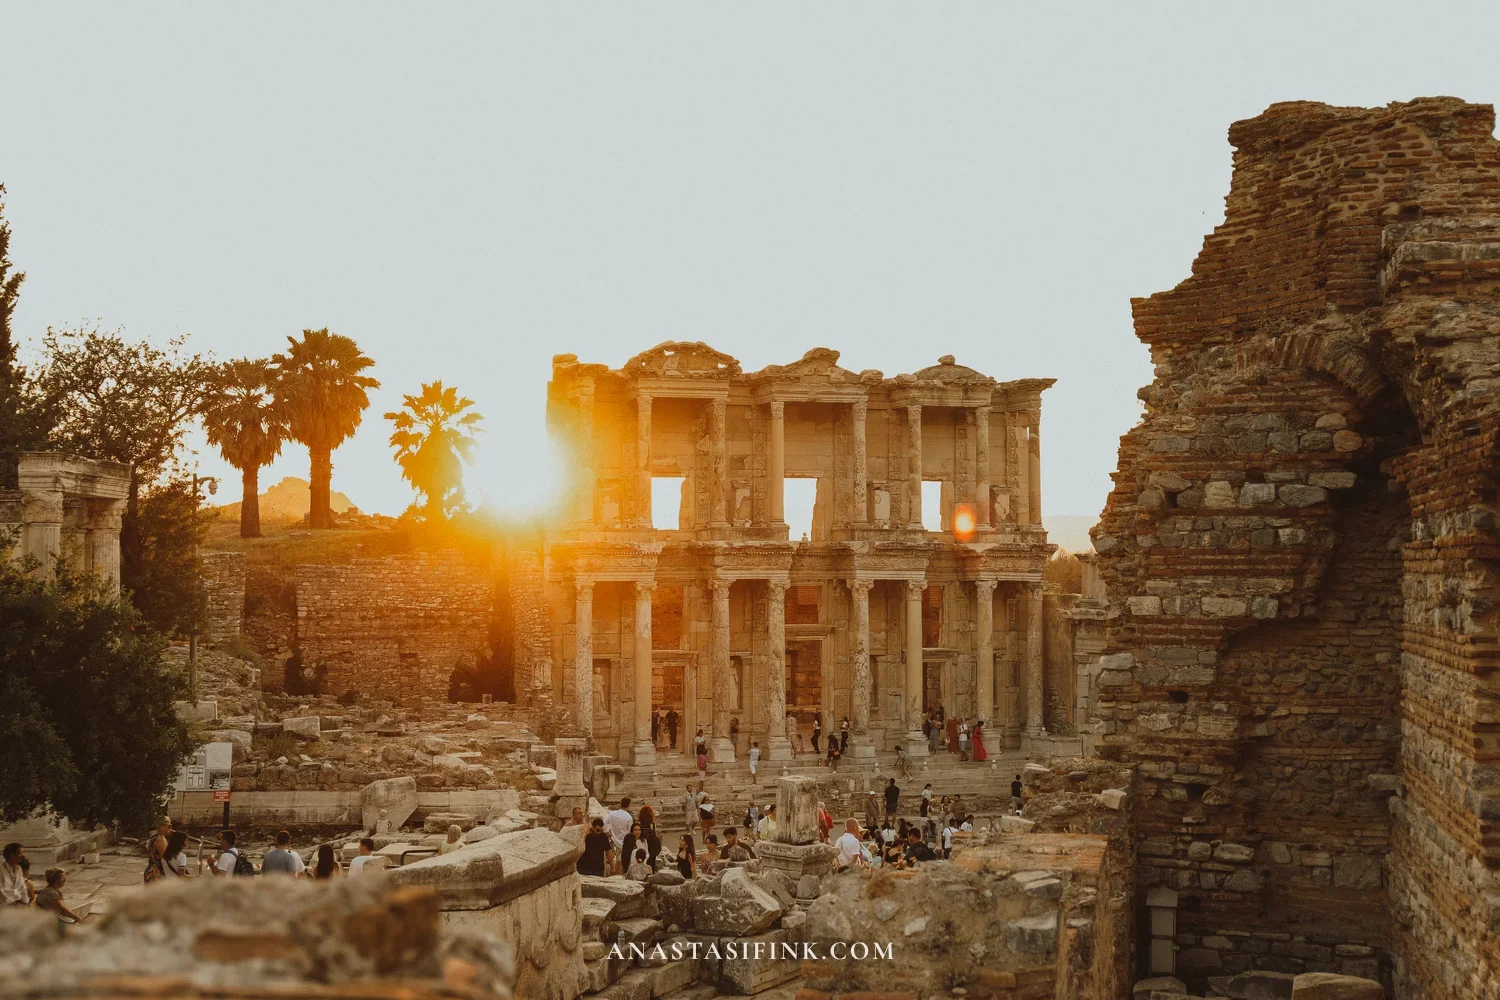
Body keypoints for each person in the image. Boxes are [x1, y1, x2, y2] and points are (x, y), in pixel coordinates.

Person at [604, 798, 635, 863]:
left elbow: (604, 823)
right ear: (628, 805)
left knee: (613, 860)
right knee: (622, 861)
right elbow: (630, 831)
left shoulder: (612, 814)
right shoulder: (628, 817)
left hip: (613, 841)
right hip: (624, 842)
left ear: (620, 804)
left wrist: (607, 831)